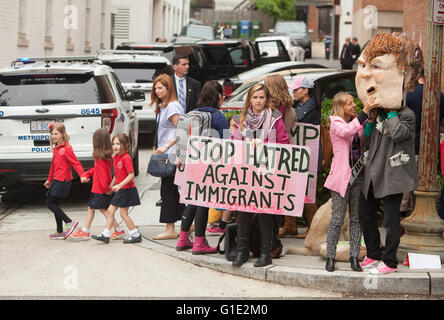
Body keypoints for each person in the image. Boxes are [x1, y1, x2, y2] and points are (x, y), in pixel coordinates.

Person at [356, 33, 422, 275]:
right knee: (365, 213)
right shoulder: (378, 114)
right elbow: (365, 141)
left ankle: (390, 261)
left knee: (392, 221)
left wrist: (391, 113)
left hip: (394, 175)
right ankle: (373, 254)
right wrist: (371, 121)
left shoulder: (406, 114)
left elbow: (399, 135)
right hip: (374, 173)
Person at [230, 83, 290, 268]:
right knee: (244, 211)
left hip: (266, 173)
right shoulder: (239, 120)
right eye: (255, 97)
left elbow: (284, 143)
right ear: (250, 99)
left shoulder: (275, 119)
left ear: (267, 100)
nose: (258, 101)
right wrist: (244, 143)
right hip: (245, 173)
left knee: (265, 213)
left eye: (261, 97)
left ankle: (266, 253)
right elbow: (232, 144)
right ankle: (242, 251)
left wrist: (264, 144)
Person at [324, 92, 378, 272]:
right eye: (349, 104)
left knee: (356, 219)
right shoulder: (335, 123)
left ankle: (354, 257)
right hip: (341, 177)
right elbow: (347, 132)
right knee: (337, 218)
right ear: (341, 107)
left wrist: (369, 120)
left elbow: (365, 137)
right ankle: (330, 257)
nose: (353, 105)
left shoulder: (357, 120)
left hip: (358, 176)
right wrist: (364, 112)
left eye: (353, 103)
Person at [176, 80, 229, 254]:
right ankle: (199, 242)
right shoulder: (219, 117)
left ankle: (183, 238)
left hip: (190, 164)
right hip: (208, 165)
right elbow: (226, 145)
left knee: (192, 200)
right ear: (219, 97)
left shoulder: (191, 113)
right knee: (203, 203)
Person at [71, 129, 124, 240]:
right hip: (99, 189)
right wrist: (87, 174)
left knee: (105, 211)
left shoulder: (100, 158)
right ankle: (86, 230)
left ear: (96, 142)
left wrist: (106, 189)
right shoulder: (106, 157)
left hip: (101, 189)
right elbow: (97, 170)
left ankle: (118, 230)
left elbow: (103, 175)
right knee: (92, 208)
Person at [151, 74, 186, 240]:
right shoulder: (163, 105)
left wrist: (167, 146)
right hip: (165, 154)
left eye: (160, 88)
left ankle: (170, 228)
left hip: (171, 155)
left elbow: (182, 129)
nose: (157, 91)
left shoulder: (173, 107)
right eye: (156, 88)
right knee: (171, 190)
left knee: (167, 191)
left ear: (168, 88)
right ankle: (188, 221)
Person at [264, 74, 298, 240]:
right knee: (280, 193)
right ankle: (286, 225)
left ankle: (271, 233)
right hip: (285, 154)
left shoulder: (269, 110)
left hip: (270, 154)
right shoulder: (290, 109)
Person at [92, 133, 141, 244]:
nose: (115, 146)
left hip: (127, 190)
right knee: (113, 212)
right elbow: (117, 175)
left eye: (118, 144)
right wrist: (111, 185)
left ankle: (133, 234)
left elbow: (131, 175)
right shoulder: (116, 158)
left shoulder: (126, 158)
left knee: (119, 213)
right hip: (121, 190)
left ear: (126, 145)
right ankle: (108, 234)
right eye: (113, 144)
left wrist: (120, 185)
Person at [289, 75, 321, 239]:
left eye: (297, 89)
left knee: (308, 192)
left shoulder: (309, 107)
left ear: (306, 90)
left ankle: (312, 228)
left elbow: (296, 119)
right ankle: (290, 225)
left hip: (309, 155)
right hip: (299, 154)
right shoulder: (300, 104)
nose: (293, 92)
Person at [44, 123, 87, 240]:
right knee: (55, 204)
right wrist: (49, 180)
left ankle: (69, 222)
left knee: (49, 203)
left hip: (63, 180)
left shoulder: (67, 148)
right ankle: (59, 231)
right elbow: (53, 166)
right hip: (57, 180)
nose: (53, 136)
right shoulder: (56, 149)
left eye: (56, 134)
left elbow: (75, 163)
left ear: (62, 134)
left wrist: (82, 175)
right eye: (52, 134)